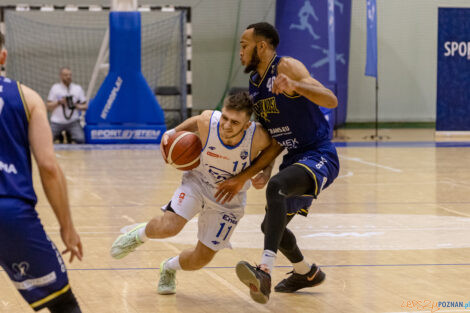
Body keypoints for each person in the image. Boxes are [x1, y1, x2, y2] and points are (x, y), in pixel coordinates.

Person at [215, 22, 340, 304]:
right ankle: (306, 272)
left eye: (244, 46)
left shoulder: (288, 67)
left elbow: (331, 100)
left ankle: (264, 271)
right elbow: (275, 140)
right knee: (270, 227)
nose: (240, 52)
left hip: (319, 154)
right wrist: (256, 172)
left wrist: (297, 85)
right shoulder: (255, 86)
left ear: (261, 46)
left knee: (277, 188)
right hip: (294, 157)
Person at [110, 92, 272, 295]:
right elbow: (196, 121)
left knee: (200, 260)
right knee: (169, 227)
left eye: (235, 122)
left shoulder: (257, 136)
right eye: (225, 118)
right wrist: (171, 133)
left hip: (228, 201)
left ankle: (168, 267)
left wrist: (266, 173)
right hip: (197, 183)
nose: (227, 125)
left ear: (247, 125)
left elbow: (271, 150)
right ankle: (138, 236)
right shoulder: (209, 121)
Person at [0, 33, 83, 312]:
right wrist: (67, 226)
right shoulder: (26, 97)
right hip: (9, 212)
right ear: (3, 57)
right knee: (63, 304)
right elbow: (48, 167)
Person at [46, 67, 87, 144]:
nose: (68, 77)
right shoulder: (55, 88)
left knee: (81, 140)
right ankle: (60, 136)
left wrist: (75, 105)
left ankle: (69, 135)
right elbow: (48, 106)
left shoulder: (77, 88)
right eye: (66, 75)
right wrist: (59, 102)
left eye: (70, 75)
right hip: (57, 122)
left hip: (73, 121)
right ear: (61, 76)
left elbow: (85, 106)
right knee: (47, 141)